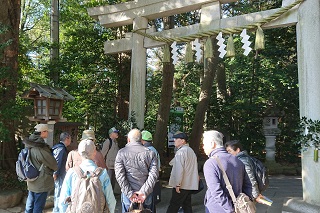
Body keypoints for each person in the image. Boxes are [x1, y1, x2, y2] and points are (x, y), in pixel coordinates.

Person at [59, 139, 116, 213]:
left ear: (79, 154)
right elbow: (111, 201)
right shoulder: (103, 173)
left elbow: (62, 201)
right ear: (95, 153)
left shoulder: (72, 172)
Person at [202, 130, 252, 213]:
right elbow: (248, 185)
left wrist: (229, 209)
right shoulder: (237, 160)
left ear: (212, 144)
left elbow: (216, 191)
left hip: (217, 209)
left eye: (204, 144)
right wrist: (244, 203)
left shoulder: (211, 163)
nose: (203, 147)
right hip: (238, 208)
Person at [115, 128, 159, 213]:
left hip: (128, 195)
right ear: (141, 140)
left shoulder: (121, 153)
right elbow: (153, 175)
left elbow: (119, 176)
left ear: (128, 139)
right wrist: (143, 192)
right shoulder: (150, 153)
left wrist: (130, 193)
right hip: (146, 194)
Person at [24, 127, 58, 213]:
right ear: (42, 132)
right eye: (47, 131)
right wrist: (55, 168)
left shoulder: (29, 144)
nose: (48, 133)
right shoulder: (39, 147)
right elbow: (52, 163)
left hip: (31, 178)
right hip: (41, 181)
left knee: (30, 204)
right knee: (38, 207)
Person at [166, 131, 199, 213]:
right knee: (187, 205)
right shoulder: (190, 150)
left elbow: (179, 170)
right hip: (189, 184)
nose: (174, 140)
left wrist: (178, 184)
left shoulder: (181, 152)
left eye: (176, 138)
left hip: (182, 185)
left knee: (174, 205)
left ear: (183, 140)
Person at [141, 130, 161, 213]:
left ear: (142, 140)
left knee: (146, 206)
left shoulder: (145, 151)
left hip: (146, 182)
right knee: (151, 206)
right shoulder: (154, 150)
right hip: (154, 181)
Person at [52, 132, 72, 213]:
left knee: (59, 193)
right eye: (70, 138)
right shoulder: (61, 148)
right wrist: (55, 173)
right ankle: (56, 210)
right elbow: (57, 162)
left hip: (59, 174)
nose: (70, 140)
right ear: (67, 138)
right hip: (59, 175)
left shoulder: (57, 147)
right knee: (59, 193)